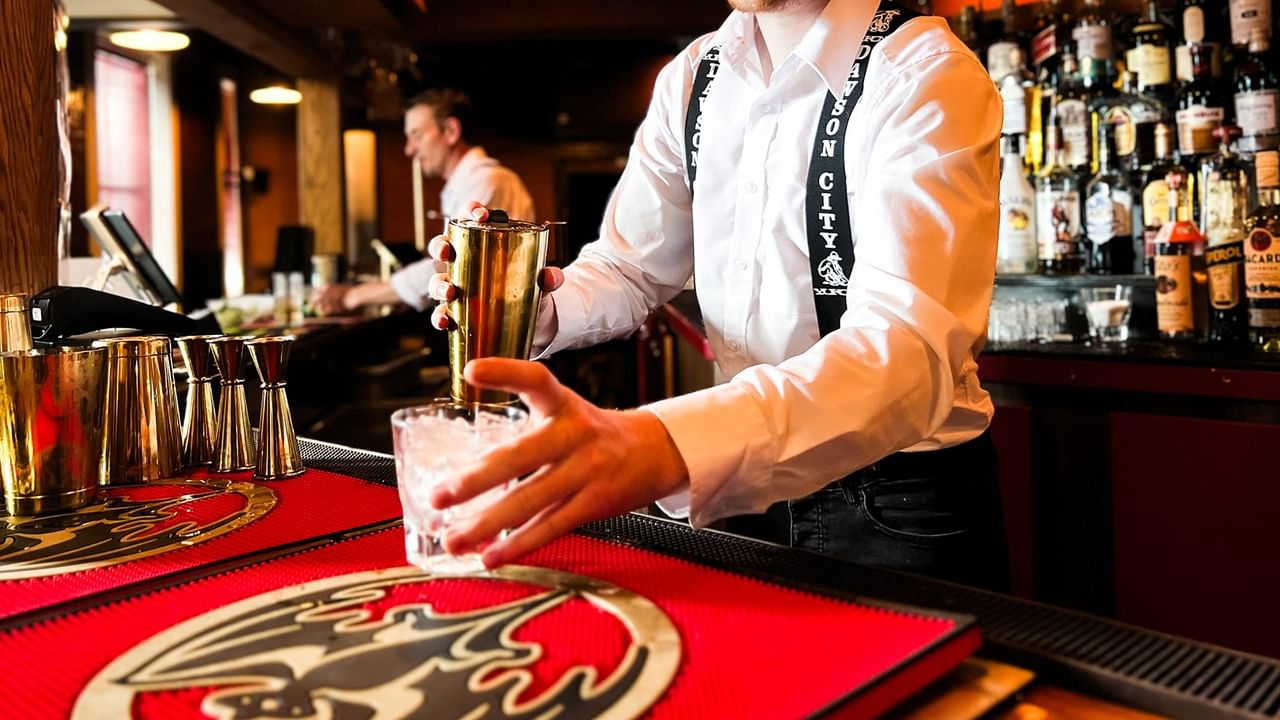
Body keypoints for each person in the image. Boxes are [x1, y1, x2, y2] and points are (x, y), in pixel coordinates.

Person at [426, 0, 1011, 591]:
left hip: (893, 504)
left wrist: (663, 445)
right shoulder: (695, 76)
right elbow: (630, 266)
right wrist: (527, 309)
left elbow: (908, 350)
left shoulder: (923, 70)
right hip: (741, 494)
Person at [311, 88, 535, 314]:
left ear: (450, 131)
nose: (409, 149)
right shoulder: (466, 183)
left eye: (417, 135)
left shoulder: (486, 181)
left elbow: (453, 266)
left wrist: (354, 296)